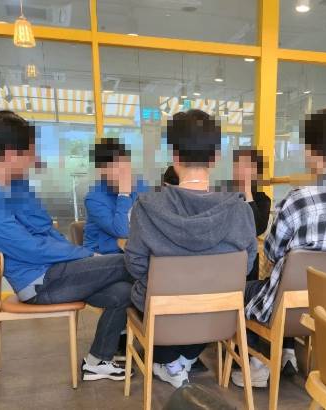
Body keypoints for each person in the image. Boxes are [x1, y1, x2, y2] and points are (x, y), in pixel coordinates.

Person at [0, 111, 133, 382]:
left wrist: (78, 257)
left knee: (123, 291)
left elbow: (42, 225)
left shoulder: (10, 179)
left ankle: (97, 361)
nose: (34, 159)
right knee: (133, 261)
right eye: (30, 153)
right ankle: (168, 352)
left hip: (55, 268)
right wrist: (86, 254)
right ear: (10, 154)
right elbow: (31, 249)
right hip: (39, 281)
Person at [231, 106, 326, 387]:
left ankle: (258, 363)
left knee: (244, 290)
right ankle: (287, 352)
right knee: (287, 283)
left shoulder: (300, 199)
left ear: (317, 152)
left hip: (286, 307)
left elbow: (271, 252)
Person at [125, 109, 257, 388]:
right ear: (215, 157)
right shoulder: (240, 209)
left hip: (162, 317)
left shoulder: (146, 207)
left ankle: (171, 362)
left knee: (135, 289)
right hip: (217, 318)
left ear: (174, 157)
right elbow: (246, 266)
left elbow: (135, 265)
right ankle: (182, 361)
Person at [83, 137, 148, 255]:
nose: (124, 173)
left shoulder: (141, 186)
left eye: (126, 165)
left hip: (135, 251)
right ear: (102, 171)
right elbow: (122, 232)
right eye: (116, 167)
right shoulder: (93, 199)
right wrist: (123, 194)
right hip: (103, 255)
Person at [232, 148, 271, 281]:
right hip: (225, 254)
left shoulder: (263, 200)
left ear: (256, 172)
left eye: (246, 166)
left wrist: (247, 193)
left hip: (248, 259)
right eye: (238, 164)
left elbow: (256, 229)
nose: (240, 169)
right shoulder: (224, 196)